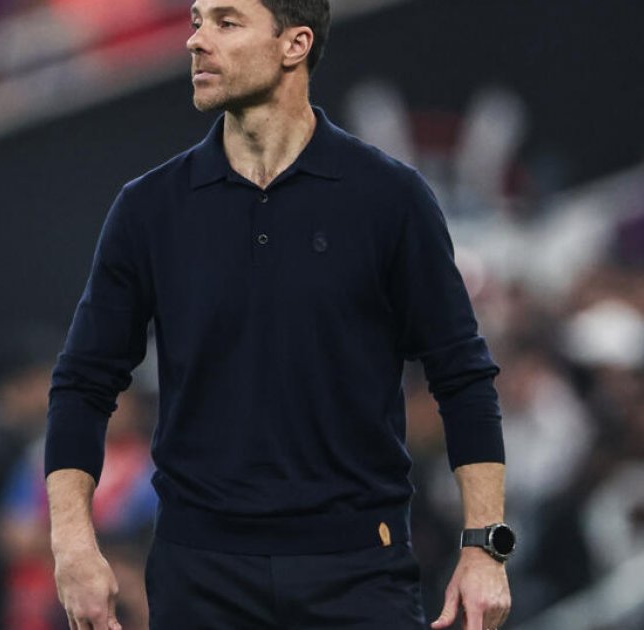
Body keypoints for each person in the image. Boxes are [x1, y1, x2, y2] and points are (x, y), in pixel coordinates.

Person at [45, 1, 513, 628]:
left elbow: (463, 377)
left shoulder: (389, 198)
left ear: (295, 44)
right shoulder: (149, 208)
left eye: (226, 22)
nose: (196, 41)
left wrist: (485, 548)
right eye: (196, 21)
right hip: (199, 576)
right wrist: (73, 544)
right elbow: (82, 383)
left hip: (359, 572)